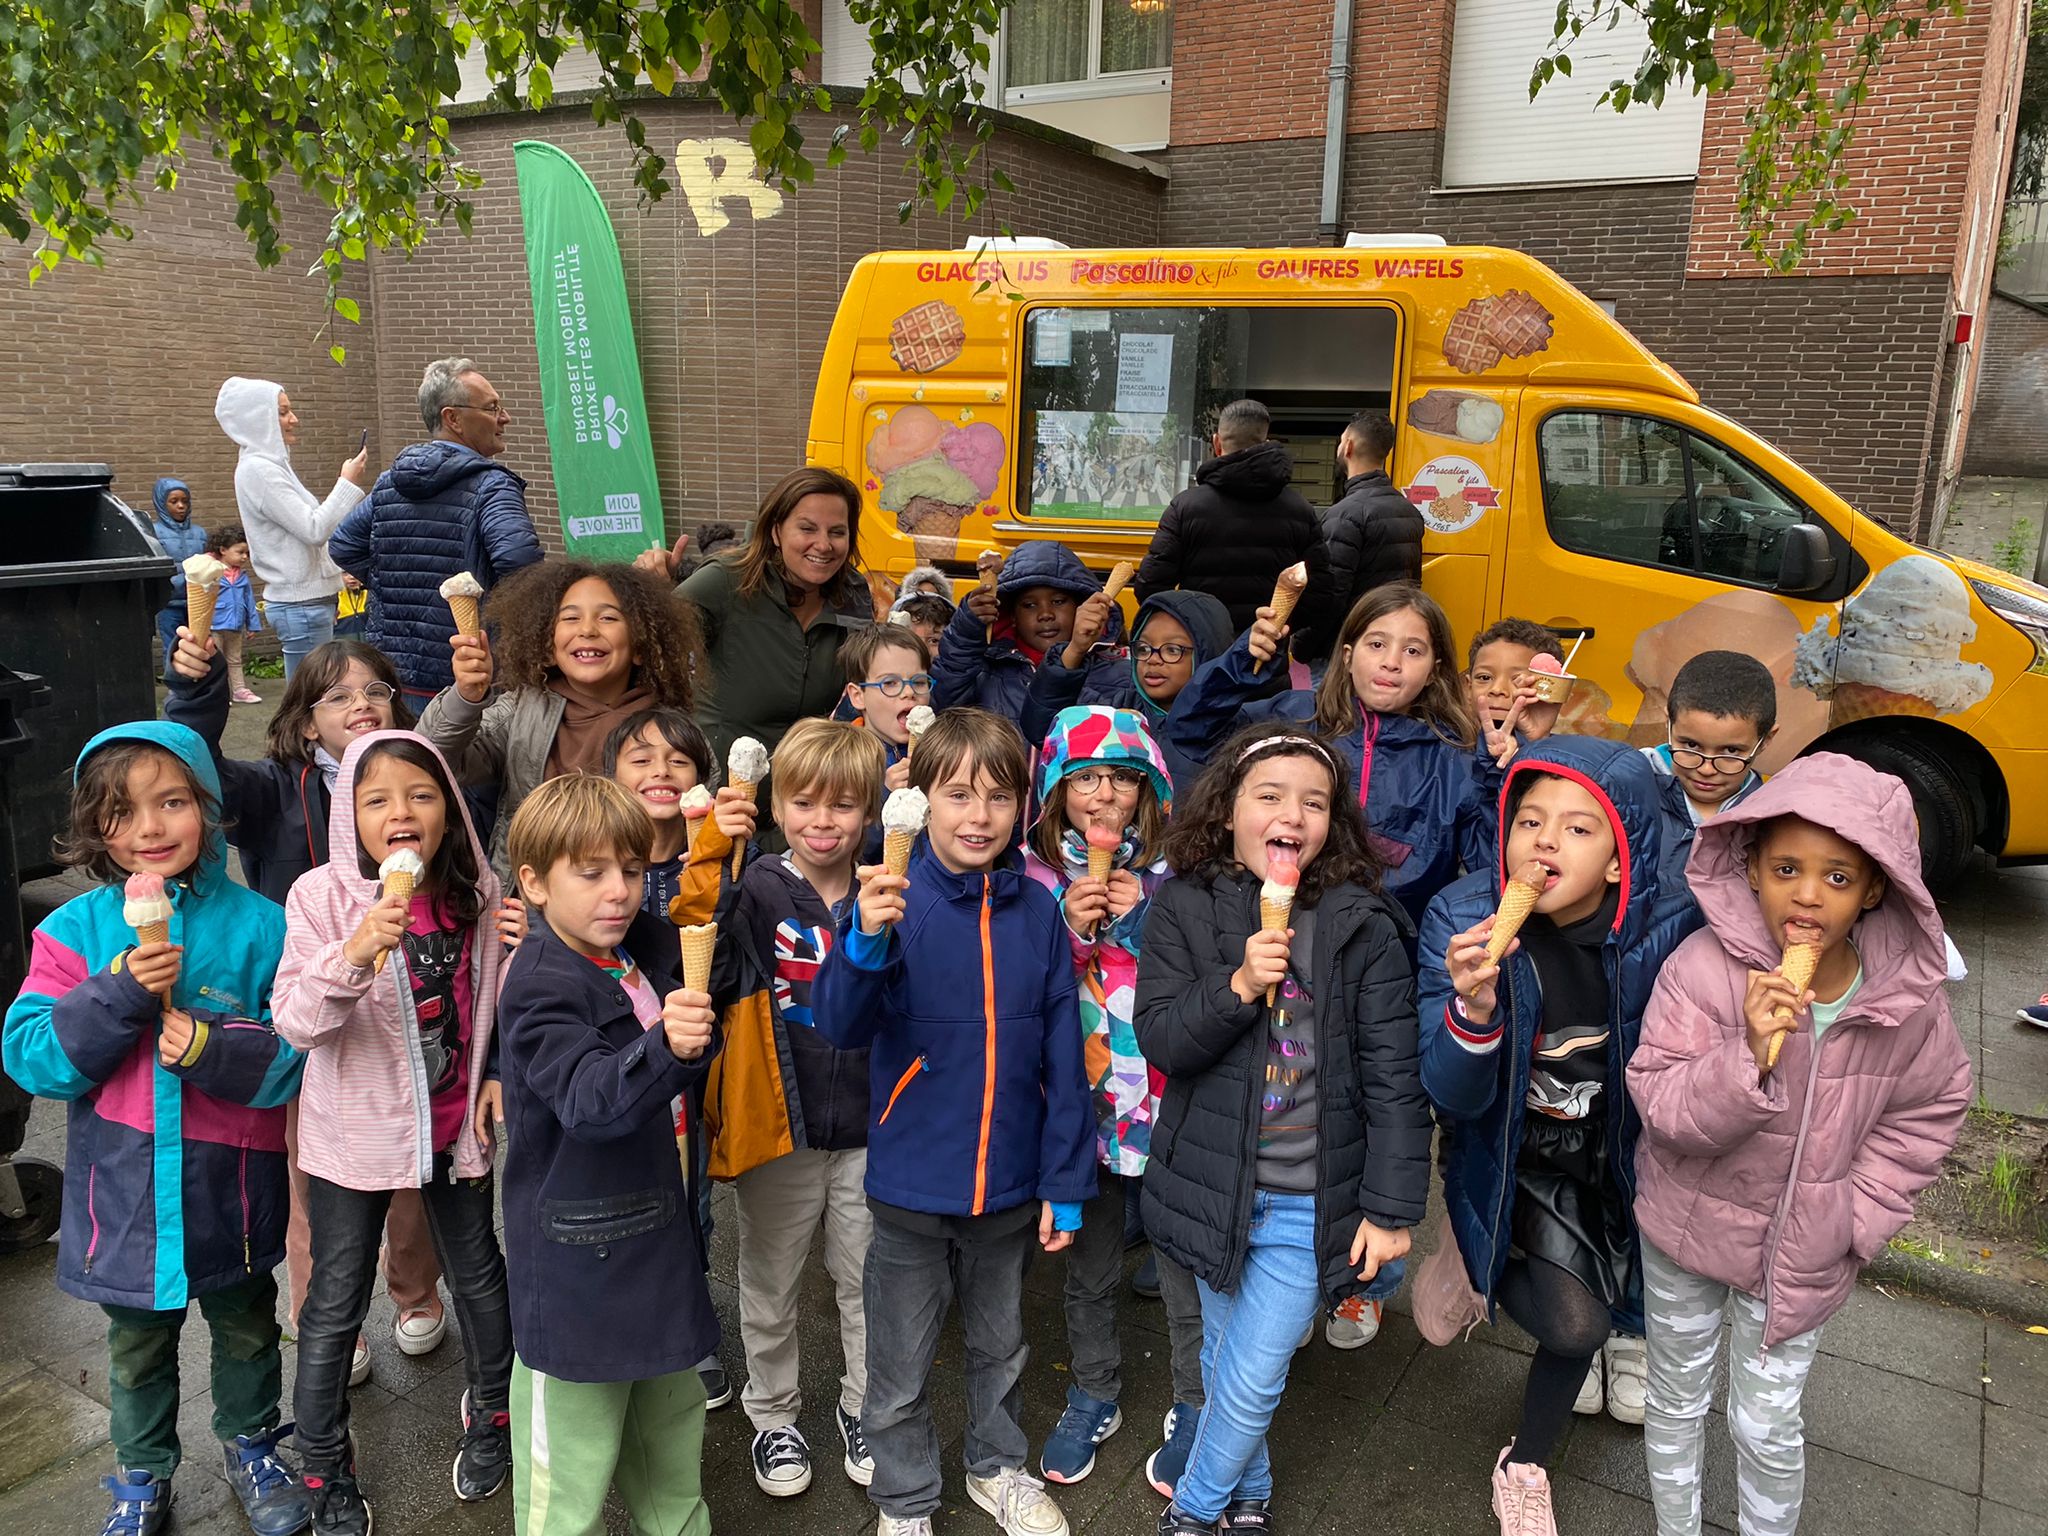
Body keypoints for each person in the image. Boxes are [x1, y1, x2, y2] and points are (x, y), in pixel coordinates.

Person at [1628, 753, 1971, 1536]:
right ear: (1750, 869)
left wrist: (1861, 1214)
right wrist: (1746, 1053)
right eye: (1786, 868)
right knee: (1677, 1397)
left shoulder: (1903, 1006)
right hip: (1687, 1232)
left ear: (1877, 889)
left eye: (1839, 878)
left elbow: (1929, 1109)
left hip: (1807, 1255)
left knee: (1765, 1426)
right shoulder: (1704, 970)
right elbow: (1664, 1104)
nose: (1808, 894)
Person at [3, 722, 305, 1536]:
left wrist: (212, 1044)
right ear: (96, 827)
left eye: (172, 802)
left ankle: (253, 1442)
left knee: (246, 1328)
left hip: (231, 1183)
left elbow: (297, 1053)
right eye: (122, 811)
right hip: (122, 1191)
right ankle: (140, 1472)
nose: (150, 829)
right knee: (136, 1348)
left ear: (207, 806)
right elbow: (33, 1056)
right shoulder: (72, 933)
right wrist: (118, 993)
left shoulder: (262, 927)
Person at [1138, 725, 1430, 1536]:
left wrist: (1393, 1209)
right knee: (1223, 1359)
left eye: (1314, 801)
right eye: (1269, 795)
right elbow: (1162, 1039)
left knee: (1254, 1375)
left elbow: (1393, 1075)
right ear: (1228, 809)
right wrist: (1236, 984)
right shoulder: (1185, 906)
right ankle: (1249, 1496)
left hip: (1310, 1199)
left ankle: (1191, 1515)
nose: (1291, 813)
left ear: (1333, 823)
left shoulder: (1359, 924)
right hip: (1211, 1186)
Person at [811, 707, 1096, 1536]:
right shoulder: (888, 901)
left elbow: (1061, 1057)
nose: (980, 816)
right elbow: (837, 1024)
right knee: (896, 1361)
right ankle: (903, 1500)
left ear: (1024, 808)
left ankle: (996, 1467)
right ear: (921, 798)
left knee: (1001, 1345)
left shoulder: (1038, 913)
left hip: (1009, 1182)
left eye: (1000, 798)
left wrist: (1065, 1182)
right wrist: (864, 941)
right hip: (909, 1180)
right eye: (960, 794)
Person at [162, 630, 450, 1385]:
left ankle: (416, 1291)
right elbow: (198, 766)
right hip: (305, 1004)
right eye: (338, 695)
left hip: (402, 1007)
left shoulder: (422, 785)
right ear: (303, 719)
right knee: (308, 1170)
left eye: (376, 691)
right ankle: (325, 1311)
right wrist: (196, 690)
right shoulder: (272, 790)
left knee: (410, 1168)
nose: (360, 704)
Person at [1418, 738, 1690, 1536]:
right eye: (1529, 820)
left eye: (1578, 829)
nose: (1544, 841)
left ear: (1618, 859)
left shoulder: (1669, 920)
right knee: (1580, 1324)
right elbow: (1448, 1091)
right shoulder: (1462, 917)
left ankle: (1532, 1439)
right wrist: (1472, 1012)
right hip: (1512, 1152)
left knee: (1629, 1298)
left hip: (1622, 1150)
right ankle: (1525, 1453)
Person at [272, 732, 524, 1535]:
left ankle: (493, 1414)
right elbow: (296, 1024)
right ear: (350, 818)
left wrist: (495, 1076)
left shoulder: (476, 896)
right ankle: (320, 1461)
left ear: (449, 811)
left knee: (480, 1277)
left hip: (454, 1136)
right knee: (333, 1305)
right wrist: (353, 954)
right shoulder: (320, 899)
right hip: (354, 1142)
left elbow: (501, 1005)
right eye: (376, 799)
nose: (401, 812)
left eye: (420, 794)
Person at [499, 773, 737, 1536]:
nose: (620, 892)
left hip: (655, 1245)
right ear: (534, 884)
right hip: (578, 1269)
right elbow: (590, 1101)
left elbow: (704, 998)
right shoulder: (538, 984)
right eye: (591, 872)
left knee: (670, 1439)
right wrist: (668, 1043)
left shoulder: (638, 947)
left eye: (632, 871)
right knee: (566, 1470)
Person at [704, 719, 886, 1498]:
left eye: (844, 805)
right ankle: (773, 1411)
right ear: (776, 804)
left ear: (871, 811)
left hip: (874, 1125)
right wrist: (713, 853)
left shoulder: (889, 881)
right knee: (770, 1280)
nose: (824, 820)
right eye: (806, 801)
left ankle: (863, 1404)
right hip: (780, 1123)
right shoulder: (754, 886)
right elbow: (699, 946)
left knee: (866, 1278)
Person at [1016, 707, 1195, 1489]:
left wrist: (1144, 920)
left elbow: (1205, 975)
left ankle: (1197, 1402)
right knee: (1087, 1270)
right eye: (1084, 776)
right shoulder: (1026, 877)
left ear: (1148, 791)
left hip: (1169, 1110)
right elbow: (1014, 985)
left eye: (1123, 779)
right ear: (1055, 788)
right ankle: (1094, 1389)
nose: (1103, 794)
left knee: (1188, 1266)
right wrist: (1066, 926)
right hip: (1077, 1117)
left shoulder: (1177, 874)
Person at [1168, 583, 1501, 932]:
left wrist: (1499, 774)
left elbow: (1490, 867)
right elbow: (1192, 731)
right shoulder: (1293, 718)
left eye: (1413, 651)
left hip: (1389, 952)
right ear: (1347, 655)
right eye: (1376, 644)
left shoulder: (1453, 761)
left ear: (1434, 670)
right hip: (1265, 932)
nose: (1391, 663)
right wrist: (1241, 664)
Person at [603, 707, 758, 1409]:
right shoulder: (598, 857)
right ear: (609, 777)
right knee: (618, 1198)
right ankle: (625, 1323)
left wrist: (725, 861)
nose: (660, 773)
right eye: (640, 758)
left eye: (678, 760)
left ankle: (690, 1330)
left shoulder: (723, 851)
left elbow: (732, 962)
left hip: (702, 1062)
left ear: (704, 779)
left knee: (691, 1201)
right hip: (618, 1061)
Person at [420, 559, 704, 879]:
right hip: (531, 906)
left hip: (634, 904)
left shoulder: (674, 732)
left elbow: (702, 827)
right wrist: (465, 697)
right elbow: (429, 758)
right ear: (547, 644)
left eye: (608, 617)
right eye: (570, 617)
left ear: (640, 646)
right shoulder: (520, 712)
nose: (587, 629)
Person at [328, 358, 543, 700]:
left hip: (393, 673)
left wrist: (395, 584)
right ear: (453, 418)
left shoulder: (390, 484)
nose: (505, 418)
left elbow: (343, 546)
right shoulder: (492, 486)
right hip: (469, 672)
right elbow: (523, 567)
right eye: (492, 408)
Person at [672, 468, 872, 769]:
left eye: (837, 532)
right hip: (722, 793)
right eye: (807, 528)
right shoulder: (727, 580)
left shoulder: (854, 596)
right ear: (776, 531)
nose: (823, 544)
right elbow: (648, 637)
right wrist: (653, 587)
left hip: (804, 795)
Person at [1133, 398, 1336, 647]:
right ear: (1266, 442)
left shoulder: (1185, 508)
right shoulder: (1300, 510)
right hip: (1267, 654)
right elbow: (1322, 594)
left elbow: (1149, 588)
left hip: (1203, 653)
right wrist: (1278, 627)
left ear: (1217, 443)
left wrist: (1190, 624)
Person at [212, 377, 372, 680]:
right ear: (258, 419)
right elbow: (313, 528)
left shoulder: (270, 465)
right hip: (301, 606)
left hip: (307, 603)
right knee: (311, 702)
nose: (293, 419)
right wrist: (347, 483)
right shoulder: (259, 470)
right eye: (283, 412)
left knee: (313, 697)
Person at [1024, 589, 1249, 793]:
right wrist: (1076, 649)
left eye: (1172, 650)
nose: (1152, 660)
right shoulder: (1118, 711)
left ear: (1208, 655)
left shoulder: (1232, 727)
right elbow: (1046, 731)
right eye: (1143, 648)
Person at [1642, 650, 1776, 929]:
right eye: (1690, 745)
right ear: (1668, 722)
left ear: (1765, 740)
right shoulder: (1628, 784)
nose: (1706, 769)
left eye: (1731, 751)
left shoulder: (1770, 818)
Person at [933, 540, 1124, 731]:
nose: (1046, 614)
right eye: (1030, 605)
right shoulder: (986, 668)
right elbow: (945, 703)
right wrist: (967, 630)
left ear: (1081, 606)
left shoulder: (1114, 671)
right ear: (1012, 616)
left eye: (1058, 601)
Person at [1313, 412, 1423, 663]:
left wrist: (1304, 644)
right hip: (1388, 643)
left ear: (1348, 446)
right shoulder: (1409, 511)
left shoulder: (1344, 514)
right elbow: (1413, 586)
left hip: (1346, 647)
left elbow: (1331, 595)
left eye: (1342, 441)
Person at [841, 623, 933, 790]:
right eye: (890, 683)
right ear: (858, 696)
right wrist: (884, 794)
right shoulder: (842, 759)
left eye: (919, 682)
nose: (909, 692)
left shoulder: (939, 752)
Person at [149, 477, 206, 678]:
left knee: (199, 645)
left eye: (185, 501)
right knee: (172, 645)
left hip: (197, 601)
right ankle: (176, 687)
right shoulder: (154, 532)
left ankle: (198, 684)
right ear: (161, 504)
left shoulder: (199, 533)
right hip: (169, 601)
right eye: (174, 502)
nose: (181, 506)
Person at [1466, 619, 1564, 735]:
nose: (1497, 690)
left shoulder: (1565, 750)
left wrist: (1538, 738)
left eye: (1519, 680)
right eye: (1484, 678)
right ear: (1469, 688)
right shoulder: (1447, 747)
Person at [205, 524, 265, 704]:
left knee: (234, 659)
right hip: (215, 625)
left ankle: (239, 690)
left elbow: (249, 601)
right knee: (216, 662)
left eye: (247, 553)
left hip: (236, 625)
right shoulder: (211, 571)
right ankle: (219, 693)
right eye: (240, 552)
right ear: (223, 550)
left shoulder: (242, 576)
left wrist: (252, 624)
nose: (245, 557)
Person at [335, 572, 369, 640]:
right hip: (344, 645)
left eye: (355, 572)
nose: (352, 577)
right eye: (345, 573)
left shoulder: (370, 594)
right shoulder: (334, 598)